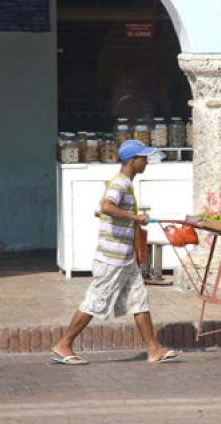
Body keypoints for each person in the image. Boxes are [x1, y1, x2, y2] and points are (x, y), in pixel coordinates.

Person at [51, 139, 183, 365]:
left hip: (125, 259)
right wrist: (134, 217)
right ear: (132, 161)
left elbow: (99, 210)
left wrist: (127, 222)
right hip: (112, 260)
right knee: (95, 301)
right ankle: (63, 344)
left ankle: (153, 350)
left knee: (139, 300)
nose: (146, 162)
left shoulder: (123, 184)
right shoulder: (120, 183)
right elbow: (106, 207)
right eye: (143, 158)